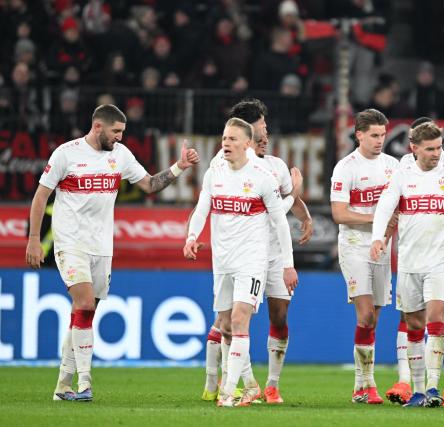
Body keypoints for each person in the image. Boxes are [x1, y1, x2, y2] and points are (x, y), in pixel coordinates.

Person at [25, 104, 200, 402]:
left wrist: (178, 166)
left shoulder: (120, 155)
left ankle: (62, 387)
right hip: (70, 243)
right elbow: (41, 195)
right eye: (116, 131)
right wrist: (32, 239)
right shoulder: (66, 154)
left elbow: (149, 185)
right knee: (84, 305)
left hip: (102, 247)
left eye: (122, 132)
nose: (119, 137)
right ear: (98, 127)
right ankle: (85, 384)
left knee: (83, 315)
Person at [198, 99, 312, 405]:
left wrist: (305, 216)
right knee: (228, 321)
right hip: (238, 253)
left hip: (271, 251)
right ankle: (231, 382)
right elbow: (209, 204)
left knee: (274, 314)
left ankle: (265, 384)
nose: (266, 130)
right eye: (262, 124)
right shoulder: (220, 167)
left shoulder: (273, 167)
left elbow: (282, 205)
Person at [370, 121, 444, 408]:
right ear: (414, 148)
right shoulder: (402, 173)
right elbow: (386, 205)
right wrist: (377, 238)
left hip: (441, 261)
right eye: (431, 149)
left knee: (437, 320)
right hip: (409, 261)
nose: (437, 153)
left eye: (440, 147)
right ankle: (419, 390)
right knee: (413, 325)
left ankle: (437, 388)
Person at [330, 108, 399, 405]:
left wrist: (385, 230)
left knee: (375, 319)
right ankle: (367, 384)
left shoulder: (393, 166)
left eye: (382, 134)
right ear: (359, 135)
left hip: (382, 248)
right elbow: (339, 213)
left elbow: (399, 208)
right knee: (366, 315)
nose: (379, 140)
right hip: (355, 245)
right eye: (374, 135)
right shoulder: (346, 167)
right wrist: (377, 220)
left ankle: (361, 385)